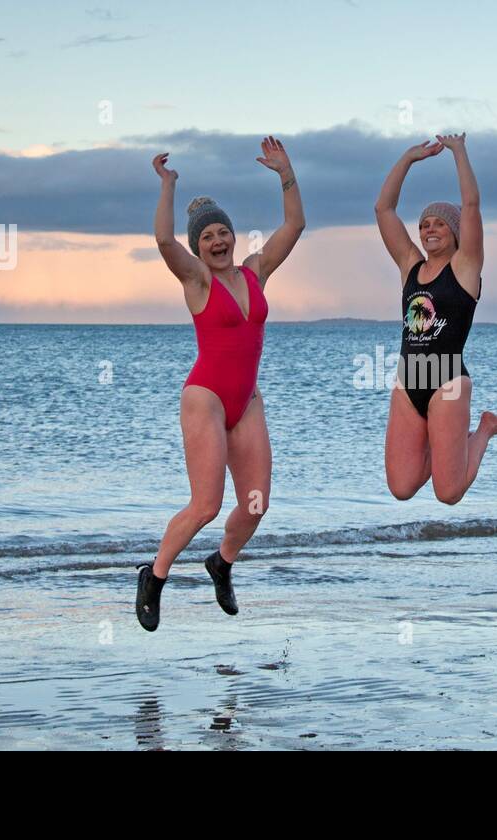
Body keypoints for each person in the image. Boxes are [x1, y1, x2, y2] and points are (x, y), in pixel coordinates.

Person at [136, 137, 305, 630]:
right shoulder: (197, 282)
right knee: (206, 504)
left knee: (256, 505)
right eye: (206, 236)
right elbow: (166, 243)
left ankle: (222, 563)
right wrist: (168, 187)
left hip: (247, 401)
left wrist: (286, 174)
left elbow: (294, 225)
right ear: (199, 246)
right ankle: (155, 576)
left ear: (233, 236)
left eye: (221, 233)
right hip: (206, 398)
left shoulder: (255, 273)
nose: (216, 241)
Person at [374, 133, 497, 505]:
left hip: (448, 380)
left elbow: (470, 204)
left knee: (448, 493)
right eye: (424, 225)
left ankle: (483, 429)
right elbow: (383, 210)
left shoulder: (465, 268)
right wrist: (408, 158)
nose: (429, 229)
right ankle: (445, 444)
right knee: (401, 488)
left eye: (438, 223)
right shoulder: (410, 266)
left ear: (455, 232)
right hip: (409, 380)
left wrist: (459, 152)